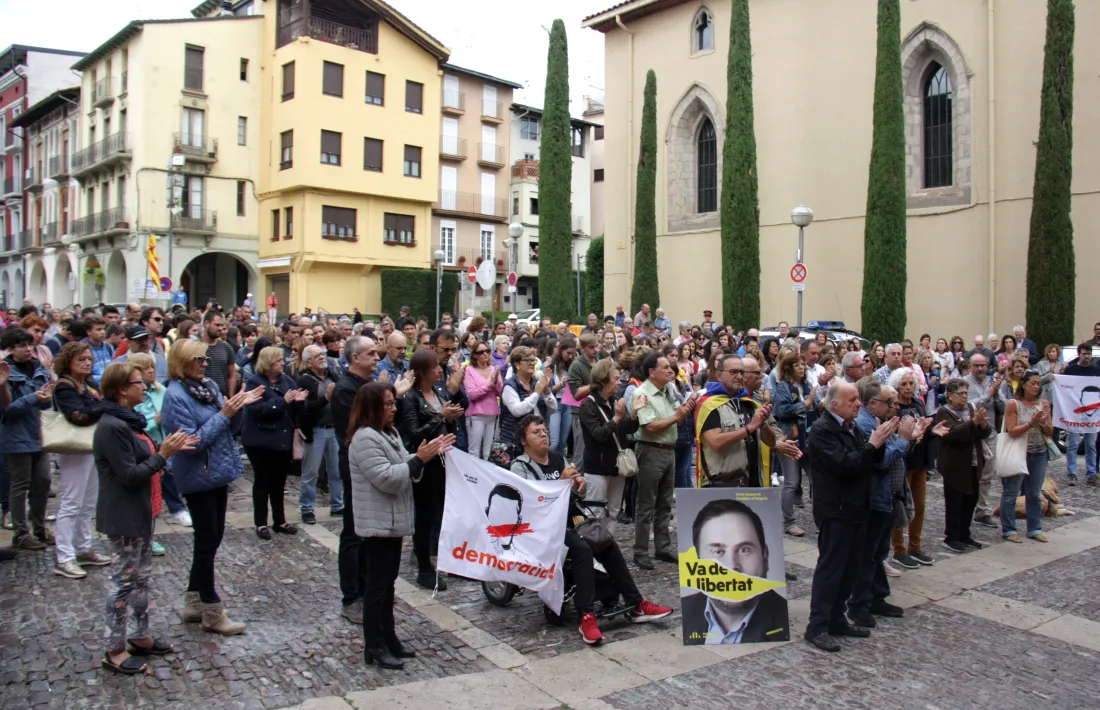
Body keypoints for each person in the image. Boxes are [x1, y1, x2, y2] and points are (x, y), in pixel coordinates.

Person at [509, 414, 671, 645]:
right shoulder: (520, 466)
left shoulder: (557, 458)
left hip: (568, 518)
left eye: (544, 430)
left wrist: (578, 485)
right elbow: (527, 502)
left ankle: (636, 603)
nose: (543, 434)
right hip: (541, 527)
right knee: (582, 549)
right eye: (536, 432)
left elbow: (573, 490)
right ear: (524, 440)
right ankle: (586, 614)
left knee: (605, 540)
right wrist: (560, 484)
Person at [95, 362, 197, 674]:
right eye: (138, 382)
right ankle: (113, 649)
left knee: (140, 579)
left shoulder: (130, 422)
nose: (145, 386)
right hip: (124, 514)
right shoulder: (112, 426)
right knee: (124, 582)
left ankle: (139, 637)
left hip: (142, 510)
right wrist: (163, 454)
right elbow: (129, 475)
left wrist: (168, 451)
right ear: (122, 390)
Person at [347, 382, 453, 669]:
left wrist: (422, 456)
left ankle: (389, 638)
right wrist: (419, 459)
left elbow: (400, 463)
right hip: (378, 523)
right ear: (372, 407)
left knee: (388, 585)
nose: (394, 409)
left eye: (394, 403)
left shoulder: (388, 433)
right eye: (388, 404)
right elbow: (387, 477)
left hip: (392, 521)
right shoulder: (365, 439)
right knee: (377, 588)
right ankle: (375, 645)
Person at [161, 338, 262, 635]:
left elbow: (227, 427)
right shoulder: (175, 396)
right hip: (198, 476)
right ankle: (211, 610)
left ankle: (193, 602)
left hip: (216, 472)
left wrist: (237, 408)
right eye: (199, 360)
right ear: (182, 363)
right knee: (207, 542)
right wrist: (225, 413)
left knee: (211, 539)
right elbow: (191, 441)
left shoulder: (208, 388)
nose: (205, 365)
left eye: (206, 360)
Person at [804, 382, 894, 653]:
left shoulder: (850, 426)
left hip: (856, 508)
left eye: (858, 399)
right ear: (836, 405)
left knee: (850, 568)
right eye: (853, 399)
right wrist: (872, 444)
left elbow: (868, 462)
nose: (859, 403)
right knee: (831, 569)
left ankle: (836, 618)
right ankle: (817, 626)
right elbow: (846, 465)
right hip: (836, 510)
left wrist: (878, 444)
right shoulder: (822, 430)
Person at [848, 379, 930, 628]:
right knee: (869, 554)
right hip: (873, 498)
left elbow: (895, 448)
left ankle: (877, 597)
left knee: (878, 553)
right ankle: (858, 604)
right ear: (872, 404)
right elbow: (879, 460)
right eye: (890, 402)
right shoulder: (864, 424)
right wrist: (904, 440)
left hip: (886, 496)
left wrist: (909, 439)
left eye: (895, 402)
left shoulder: (879, 421)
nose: (895, 407)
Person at [681, 499, 790, 644]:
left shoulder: (781, 619)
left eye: (744, 550)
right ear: (696, 560)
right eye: (717, 551)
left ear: (765, 557)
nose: (732, 566)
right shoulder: (687, 612)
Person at [330, 336, 383, 624]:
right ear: (355, 358)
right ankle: (351, 597)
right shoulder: (345, 389)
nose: (377, 357)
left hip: (371, 462)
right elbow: (359, 426)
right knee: (353, 532)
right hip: (354, 464)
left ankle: (367, 589)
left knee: (367, 533)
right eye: (371, 353)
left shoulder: (367, 386)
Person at [400, 348, 462, 590]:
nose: (440, 370)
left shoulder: (438, 391)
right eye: (435, 367)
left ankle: (445, 558)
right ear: (424, 371)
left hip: (445, 459)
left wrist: (451, 418)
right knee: (425, 514)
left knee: (442, 510)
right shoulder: (411, 398)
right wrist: (440, 416)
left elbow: (446, 421)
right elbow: (414, 435)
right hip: (426, 463)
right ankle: (424, 566)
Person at [631, 353, 696, 570]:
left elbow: (676, 415)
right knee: (646, 504)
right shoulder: (642, 394)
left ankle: (662, 546)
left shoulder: (669, 390)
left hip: (669, 449)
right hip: (651, 450)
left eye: (671, 367)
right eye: (666, 367)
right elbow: (650, 427)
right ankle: (640, 551)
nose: (671, 371)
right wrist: (678, 417)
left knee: (665, 501)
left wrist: (685, 410)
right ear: (652, 372)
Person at [51, 342, 111, 579]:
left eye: (88, 359)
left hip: (92, 446)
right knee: (71, 502)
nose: (87, 362)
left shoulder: (88, 384)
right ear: (69, 362)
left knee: (87, 502)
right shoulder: (65, 387)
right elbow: (77, 416)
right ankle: (64, 556)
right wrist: (103, 407)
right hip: (74, 449)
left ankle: (83, 547)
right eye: (81, 359)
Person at [694, 354, 799, 488]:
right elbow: (716, 442)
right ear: (719, 376)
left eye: (741, 372)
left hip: (752, 480)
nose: (738, 376)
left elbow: (770, 442)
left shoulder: (749, 403)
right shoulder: (709, 405)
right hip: (722, 482)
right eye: (733, 372)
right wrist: (750, 427)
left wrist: (763, 424)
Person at [242, 346, 309, 539]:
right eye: (278, 360)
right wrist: (283, 401)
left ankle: (280, 521)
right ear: (268, 363)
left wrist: (299, 401)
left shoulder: (287, 380)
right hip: (260, 441)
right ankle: (261, 523)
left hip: (282, 440)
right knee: (262, 482)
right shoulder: (255, 382)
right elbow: (257, 410)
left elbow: (297, 411)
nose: (282, 363)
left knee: (279, 483)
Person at [0, 327, 55, 551]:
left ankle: (40, 527)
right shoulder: (7, 372)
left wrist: (45, 398)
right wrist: (33, 398)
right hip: (16, 435)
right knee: (20, 484)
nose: (27, 349)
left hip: (39, 433)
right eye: (22, 345)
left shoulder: (38, 369)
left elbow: (44, 404)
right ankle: (21, 533)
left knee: (42, 481)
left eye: (29, 344)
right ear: (11, 349)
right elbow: (7, 410)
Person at [578, 359, 644, 530]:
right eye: (615, 378)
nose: (619, 382)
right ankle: (593, 552)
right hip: (597, 466)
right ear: (602, 380)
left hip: (616, 466)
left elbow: (627, 428)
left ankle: (608, 549)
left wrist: (634, 413)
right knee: (596, 511)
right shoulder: (588, 404)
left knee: (614, 510)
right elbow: (599, 434)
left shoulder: (614, 400)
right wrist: (616, 418)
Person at [128, 352, 184, 552]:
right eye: (145, 368)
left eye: (152, 366)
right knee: (144, 495)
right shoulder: (134, 395)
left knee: (158, 493)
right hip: (144, 449)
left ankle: (150, 534)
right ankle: (141, 537)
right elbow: (135, 422)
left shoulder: (161, 390)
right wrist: (154, 422)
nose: (151, 371)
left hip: (163, 446)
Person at [933, 379, 991, 552]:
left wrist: (982, 425)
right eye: (960, 393)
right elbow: (952, 434)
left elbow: (984, 433)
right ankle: (951, 536)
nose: (964, 397)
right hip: (954, 465)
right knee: (955, 502)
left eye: (966, 393)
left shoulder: (972, 409)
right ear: (950, 396)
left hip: (974, 462)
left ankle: (965, 533)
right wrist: (973, 424)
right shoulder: (943, 412)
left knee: (970, 500)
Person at [889, 369, 936, 569]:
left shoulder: (918, 403)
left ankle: (915, 545)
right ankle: (899, 549)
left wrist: (932, 430)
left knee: (920, 506)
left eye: (911, 383)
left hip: (920, 461)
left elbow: (924, 427)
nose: (908, 387)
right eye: (904, 384)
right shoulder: (895, 408)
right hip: (903, 462)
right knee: (900, 506)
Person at [1000, 371, 1054, 543]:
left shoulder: (1044, 403)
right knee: (1011, 492)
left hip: (1039, 452)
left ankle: (1034, 528)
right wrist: (1031, 422)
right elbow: (1012, 431)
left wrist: (1044, 422)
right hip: (1019, 452)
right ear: (1024, 384)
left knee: (1034, 494)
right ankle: (1009, 530)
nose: (1036, 386)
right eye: (1033, 383)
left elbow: (1051, 431)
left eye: (1038, 383)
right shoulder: (1013, 404)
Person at [296, 344, 344, 525]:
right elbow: (306, 408)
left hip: (334, 429)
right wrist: (326, 399)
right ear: (309, 362)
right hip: (316, 430)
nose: (323, 357)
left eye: (323, 354)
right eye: (318, 356)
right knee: (311, 472)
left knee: (336, 470)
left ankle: (337, 504)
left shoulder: (333, 376)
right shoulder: (305, 380)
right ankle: (307, 508)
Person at [773, 352, 817, 536]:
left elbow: (817, 405)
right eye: (798, 365)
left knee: (817, 479)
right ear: (789, 368)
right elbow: (781, 410)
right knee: (791, 482)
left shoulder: (806, 385)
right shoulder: (784, 387)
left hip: (808, 438)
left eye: (803, 365)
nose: (802, 367)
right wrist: (805, 404)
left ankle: (822, 518)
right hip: (790, 437)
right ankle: (789, 522)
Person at [963, 353, 1004, 527]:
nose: (980, 369)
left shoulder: (991, 381)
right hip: (971, 434)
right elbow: (967, 406)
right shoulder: (963, 382)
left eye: (983, 365)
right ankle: (966, 509)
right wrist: (988, 395)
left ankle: (982, 510)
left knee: (987, 473)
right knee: (970, 474)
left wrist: (997, 396)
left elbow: (1002, 407)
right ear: (970, 366)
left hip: (990, 432)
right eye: (977, 366)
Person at [1063, 343, 1100, 485]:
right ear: (1079, 354)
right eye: (1084, 354)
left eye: (1089, 354)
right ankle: (1072, 474)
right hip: (1075, 414)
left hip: (1093, 415)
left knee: (1091, 445)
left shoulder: (1097, 370)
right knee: (1073, 444)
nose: (1087, 357)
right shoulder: (1070, 370)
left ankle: (1091, 474)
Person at [464, 339, 503, 460]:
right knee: (474, 450)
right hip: (476, 416)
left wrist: (496, 381)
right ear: (474, 355)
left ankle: (486, 478)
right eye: (481, 352)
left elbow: (500, 392)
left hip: (492, 414)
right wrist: (489, 384)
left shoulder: (493, 369)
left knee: (488, 451)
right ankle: (473, 477)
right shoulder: (469, 370)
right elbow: (472, 394)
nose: (485, 354)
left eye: (487, 351)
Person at [565, 334, 600, 467]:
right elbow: (576, 394)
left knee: (595, 455)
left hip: (597, 413)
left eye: (597, 346)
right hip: (581, 415)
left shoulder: (598, 362)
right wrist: (595, 384)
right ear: (582, 348)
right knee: (581, 457)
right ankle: (575, 486)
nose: (596, 350)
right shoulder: (576, 366)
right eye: (592, 347)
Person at [546, 339, 575, 455]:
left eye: (572, 353)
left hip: (568, 403)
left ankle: (558, 467)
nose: (570, 356)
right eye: (568, 353)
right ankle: (547, 467)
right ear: (561, 350)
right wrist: (562, 384)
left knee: (563, 442)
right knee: (554, 442)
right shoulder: (551, 365)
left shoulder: (572, 365)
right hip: (555, 403)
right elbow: (548, 390)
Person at [201, 312, 237, 398]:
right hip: (202, 396)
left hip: (222, 397)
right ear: (206, 324)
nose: (220, 328)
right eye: (217, 325)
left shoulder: (226, 348)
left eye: (222, 325)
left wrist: (230, 398)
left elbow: (232, 376)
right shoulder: (194, 346)